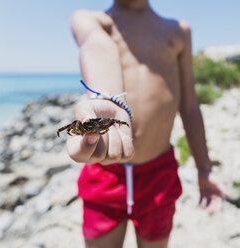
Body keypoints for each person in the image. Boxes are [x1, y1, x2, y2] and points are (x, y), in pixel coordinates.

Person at [67, 0, 229, 247]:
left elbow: (189, 106)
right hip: (104, 171)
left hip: (158, 175)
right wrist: (110, 100)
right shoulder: (92, 20)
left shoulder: (178, 31)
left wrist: (204, 168)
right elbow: (97, 44)